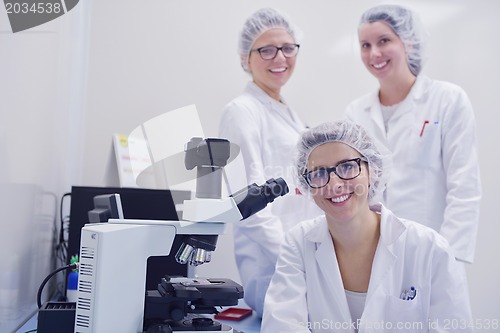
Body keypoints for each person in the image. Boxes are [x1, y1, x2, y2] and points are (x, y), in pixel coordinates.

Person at [262, 120, 473, 332]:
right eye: (318, 173)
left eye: (347, 166)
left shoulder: (429, 249)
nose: (334, 184)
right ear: (306, 185)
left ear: (373, 171)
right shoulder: (298, 244)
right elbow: (281, 325)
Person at [345, 4, 481, 264]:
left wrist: (447, 257)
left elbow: (464, 187)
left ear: (407, 42)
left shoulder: (447, 99)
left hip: (435, 248)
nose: (374, 53)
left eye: (384, 41)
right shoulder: (355, 112)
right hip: (373, 254)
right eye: (365, 45)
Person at [218, 7, 321, 316]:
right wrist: (294, 259)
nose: (280, 58)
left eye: (288, 48)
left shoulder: (285, 111)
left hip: (301, 257)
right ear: (245, 58)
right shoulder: (241, 111)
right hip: (274, 268)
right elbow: (249, 204)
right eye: (266, 49)